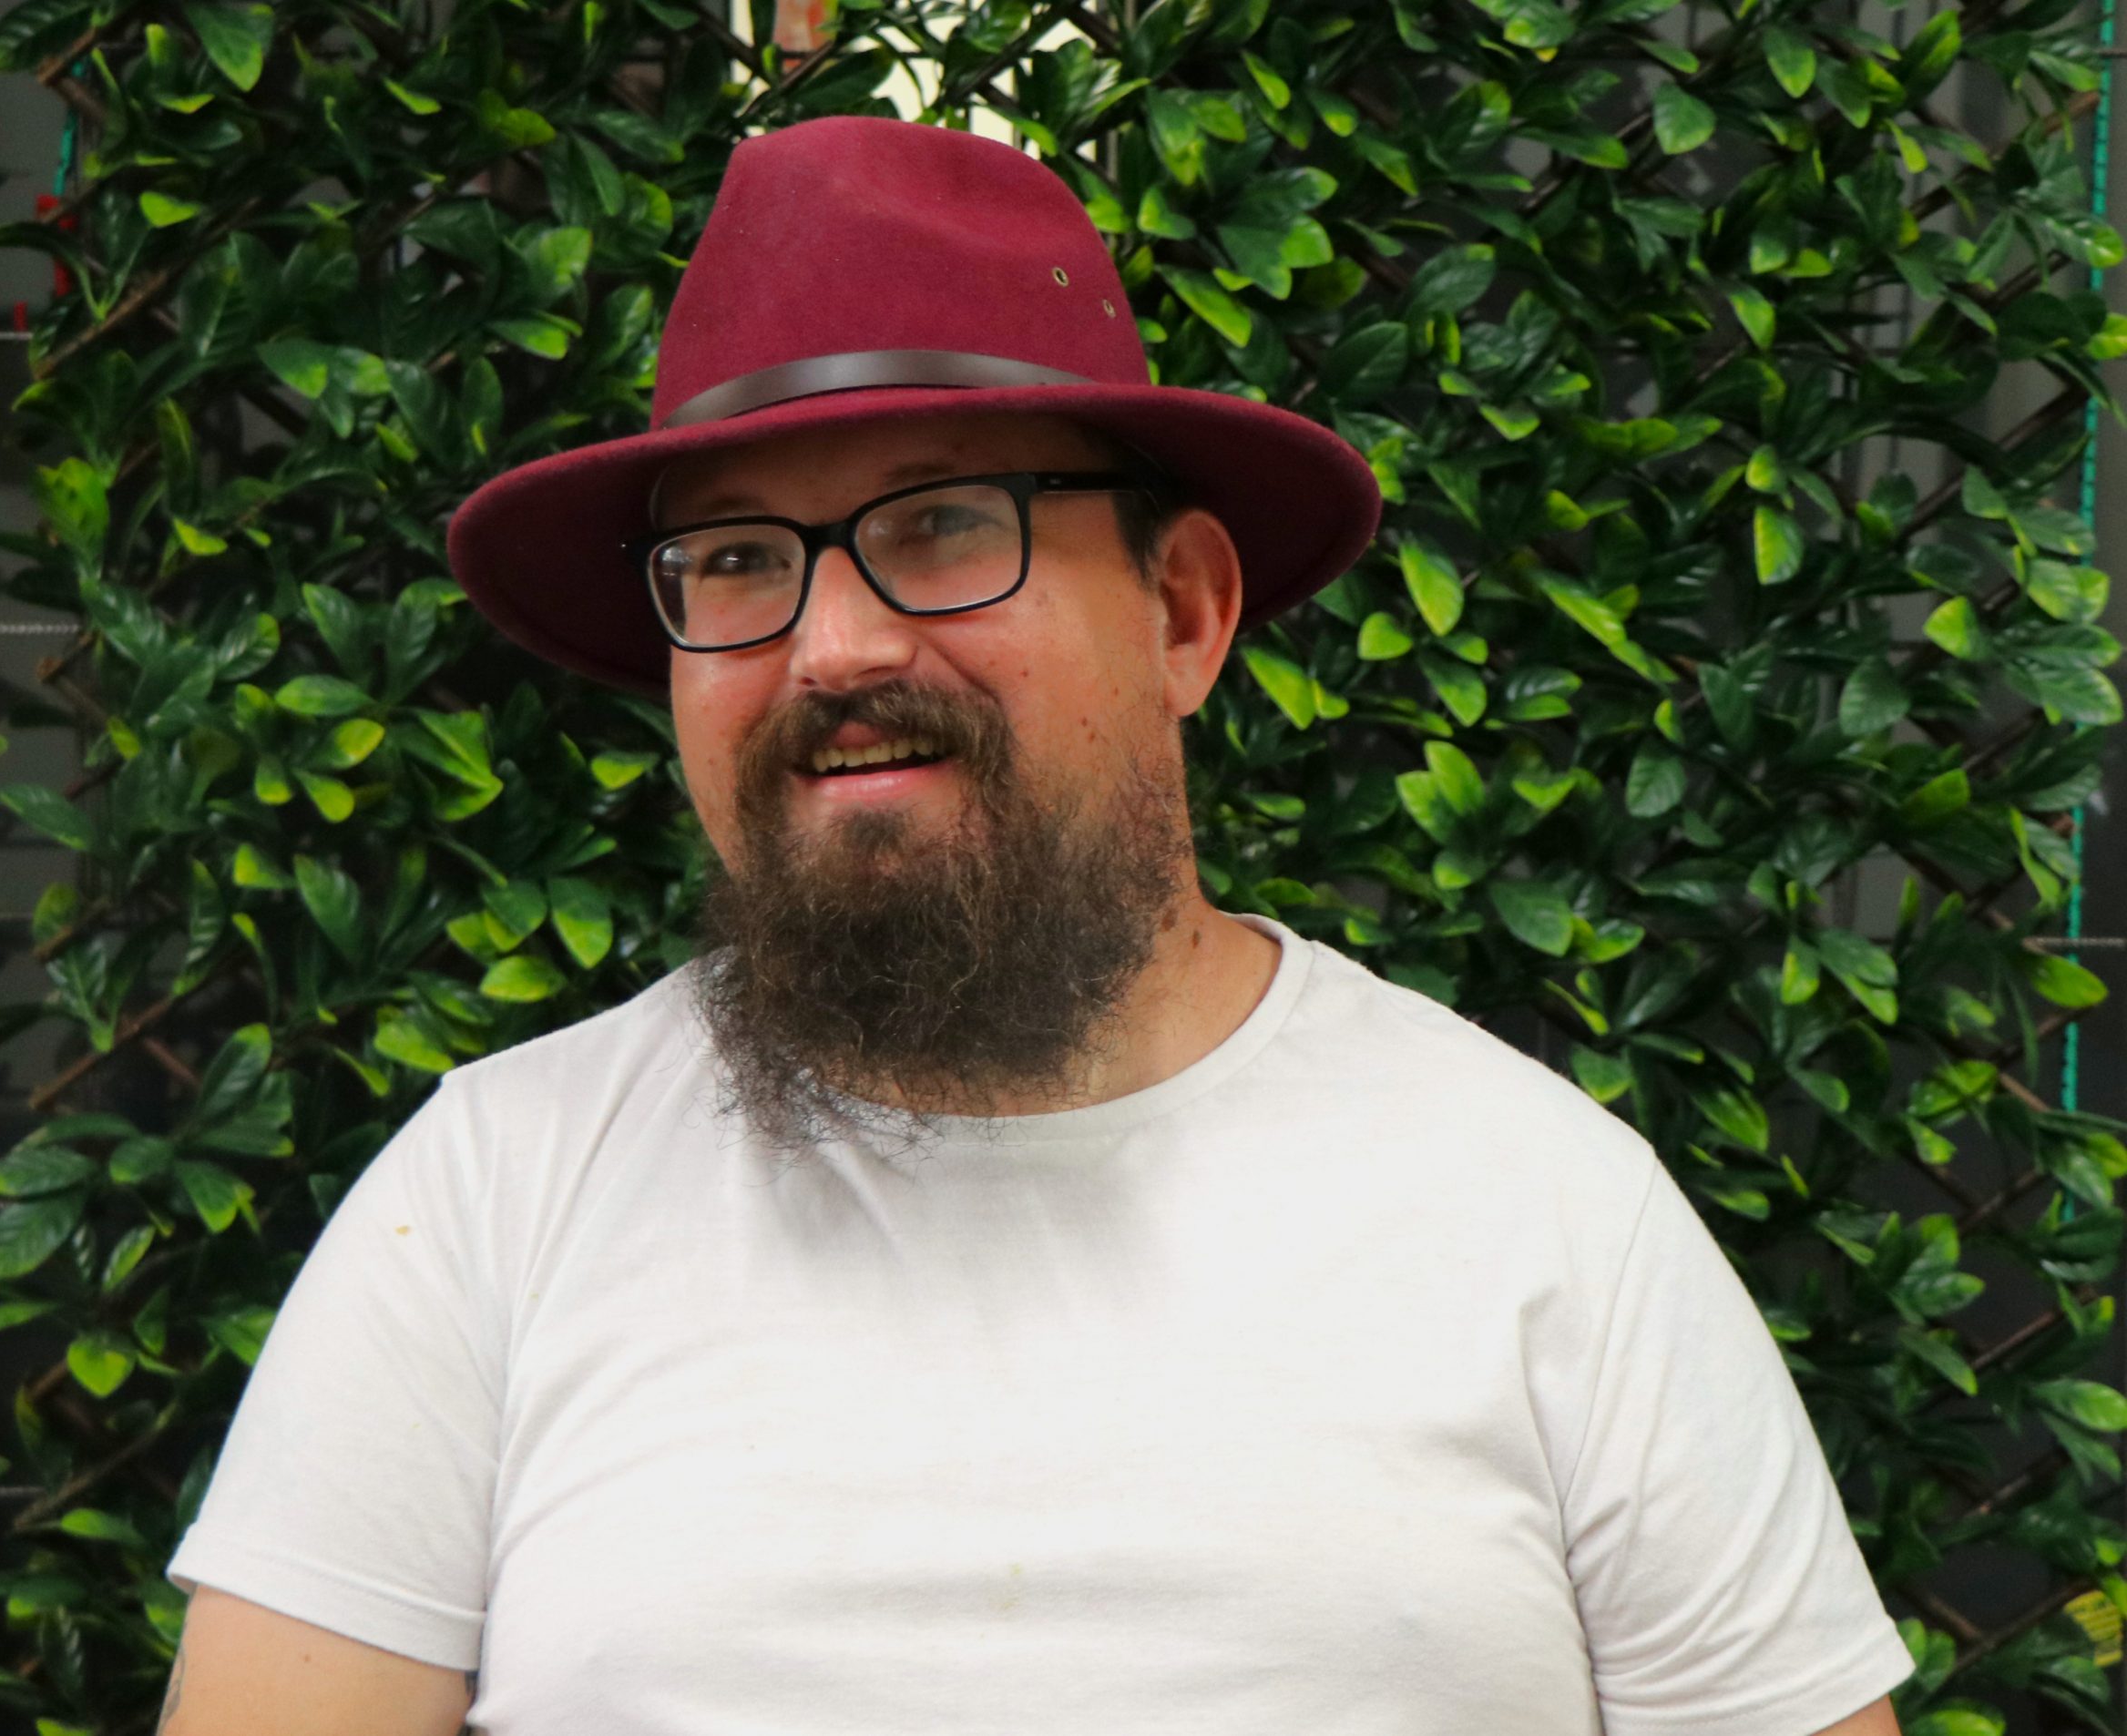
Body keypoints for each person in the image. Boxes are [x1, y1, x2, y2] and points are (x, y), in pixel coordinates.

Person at [157, 117, 1916, 1735]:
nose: (831, 648)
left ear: (1182, 612)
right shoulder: (490, 1204)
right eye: (740, 563)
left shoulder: (1544, 1213)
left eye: (942, 527)